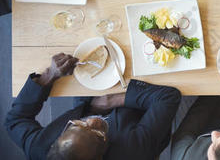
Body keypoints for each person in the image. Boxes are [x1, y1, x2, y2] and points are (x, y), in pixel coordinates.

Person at [5, 53, 182, 160]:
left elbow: (14, 120)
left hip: (89, 101)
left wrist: (49, 75)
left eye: (78, 125)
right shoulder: (133, 150)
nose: (91, 122)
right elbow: (167, 97)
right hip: (139, 113)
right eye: (97, 133)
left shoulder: (38, 147)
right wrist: (110, 101)